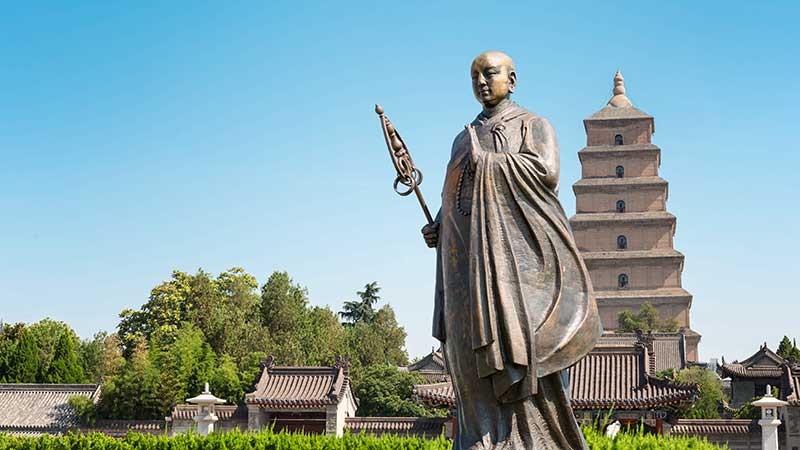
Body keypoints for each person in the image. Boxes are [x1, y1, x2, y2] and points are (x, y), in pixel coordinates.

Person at [421, 51, 601, 450]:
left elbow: (546, 173)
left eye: (490, 74)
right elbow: (455, 191)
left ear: (512, 80)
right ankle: (477, 441)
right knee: (467, 363)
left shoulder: (532, 125)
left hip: (515, 271)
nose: (481, 82)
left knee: (520, 351)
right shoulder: (461, 138)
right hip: (463, 266)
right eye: (474, 77)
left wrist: (488, 162)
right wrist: (440, 220)